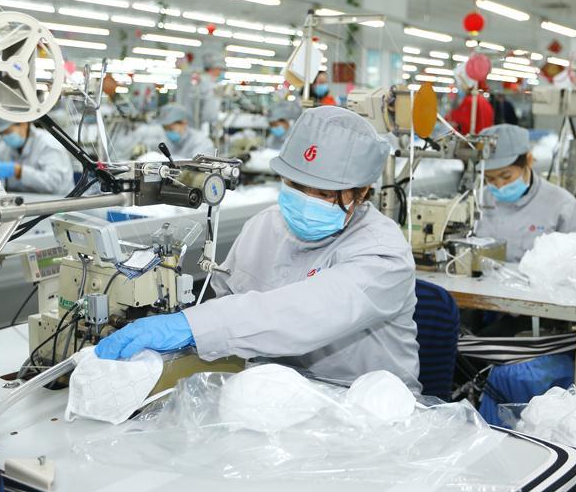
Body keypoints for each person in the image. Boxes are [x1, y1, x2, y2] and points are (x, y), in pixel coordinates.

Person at [96, 106, 422, 392]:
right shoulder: (264, 227)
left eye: (324, 194)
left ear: (361, 193)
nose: (306, 200)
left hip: (365, 405)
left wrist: (191, 326)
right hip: (271, 393)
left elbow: (303, 315)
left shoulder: (383, 253)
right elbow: (228, 299)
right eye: (296, 185)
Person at [474, 124, 576, 262]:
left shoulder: (562, 205)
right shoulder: (477, 200)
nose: (499, 186)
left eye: (506, 176)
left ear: (529, 161)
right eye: (490, 178)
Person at [0, 119, 74, 194]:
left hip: (59, 201)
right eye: (1, 134)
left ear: (23, 124)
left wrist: (19, 171)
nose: (5, 137)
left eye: (8, 132)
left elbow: (54, 184)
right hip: (28, 200)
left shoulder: (48, 143)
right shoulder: (7, 148)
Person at [446, 63, 494, 135]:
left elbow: (460, 123)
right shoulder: (483, 101)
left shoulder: (470, 101)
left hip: (472, 139)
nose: (459, 86)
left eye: (459, 83)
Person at [196, 51, 224, 131]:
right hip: (201, 122)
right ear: (213, 68)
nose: (220, 72)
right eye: (219, 69)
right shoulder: (203, 81)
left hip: (208, 122)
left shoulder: (213, 83)